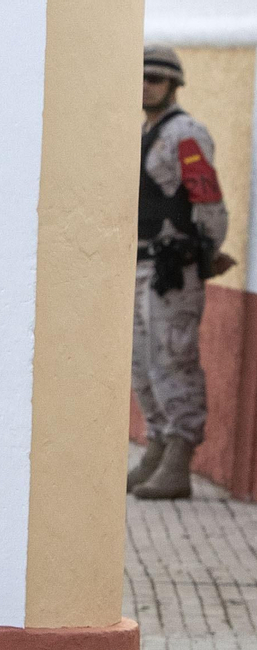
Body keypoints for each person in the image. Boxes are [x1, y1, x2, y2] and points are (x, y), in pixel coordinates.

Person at [130, 44, 232, 500]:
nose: (146, 85)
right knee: (140, 362)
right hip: (140, 263)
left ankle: (178, 460)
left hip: (174, 267)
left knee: (173, 357)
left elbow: (207, 198)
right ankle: (157, 447)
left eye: (155, 78)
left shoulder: (184, 134)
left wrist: (206, 249)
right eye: (140, 77)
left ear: (173, 84)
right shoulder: (142, 132)